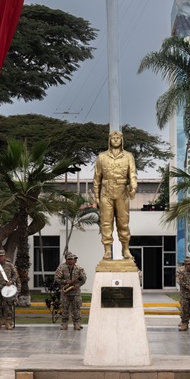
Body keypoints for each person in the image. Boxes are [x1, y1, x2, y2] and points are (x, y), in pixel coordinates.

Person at [93, 131, 138, 260]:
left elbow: (132, 174)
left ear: (122, 140)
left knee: (123, 222)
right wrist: (96, 196)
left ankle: (126, 249)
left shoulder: (128, 156)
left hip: (122, 192)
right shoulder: (102, 157)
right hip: (106, 193)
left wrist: (133, 187)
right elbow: (97, 178)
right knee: (106, 222)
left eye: (118, 138)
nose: (116, 140)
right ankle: (107, 250)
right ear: (109, 140)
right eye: (113, 138)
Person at [54, 251, 86, 330]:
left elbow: (84, 279)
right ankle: (64, 323)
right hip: (65, 292)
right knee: (64, 308)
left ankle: (77, 323)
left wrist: (77, 286)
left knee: (76, 308)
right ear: (66, 259)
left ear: (75, 260)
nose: (70, 260)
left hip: (76, 292)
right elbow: (57, 278)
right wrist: (66, 282)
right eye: (69, 259)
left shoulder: (79, 268)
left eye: (72, 259)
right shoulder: (61, 268)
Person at [176, 257, 190, 331]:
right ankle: (184, 324)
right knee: (185, 310)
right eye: (188, 264)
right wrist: (188, 287)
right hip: (185, 294)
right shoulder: (182, 271)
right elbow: (180, 281)